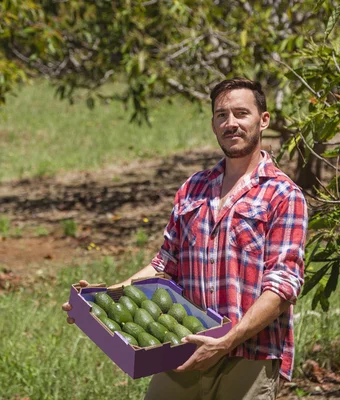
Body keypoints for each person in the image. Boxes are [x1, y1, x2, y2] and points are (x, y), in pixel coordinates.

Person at [62, 77, 308, 400]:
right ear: (213, 124)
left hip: (248, 360)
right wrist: (98, 303)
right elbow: (164, 265)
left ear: (263, 120)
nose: (230, 123)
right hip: (184, 352)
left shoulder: (284, 196)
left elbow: (281, 289)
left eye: (240, 113)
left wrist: (225, 341)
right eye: (222, 115)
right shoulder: (193, 189)